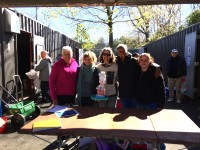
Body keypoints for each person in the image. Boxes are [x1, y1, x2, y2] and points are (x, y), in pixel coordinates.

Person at [116, 44, 139, 108]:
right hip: (123, 92)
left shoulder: (134, 61)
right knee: (126, 111)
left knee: (134, 111)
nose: (122, 52)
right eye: (120, 51)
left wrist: (158, 67)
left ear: (127, 50)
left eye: (123, 50)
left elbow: (148, 63)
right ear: (117, 52)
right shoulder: (116, 61)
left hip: (134, 92)